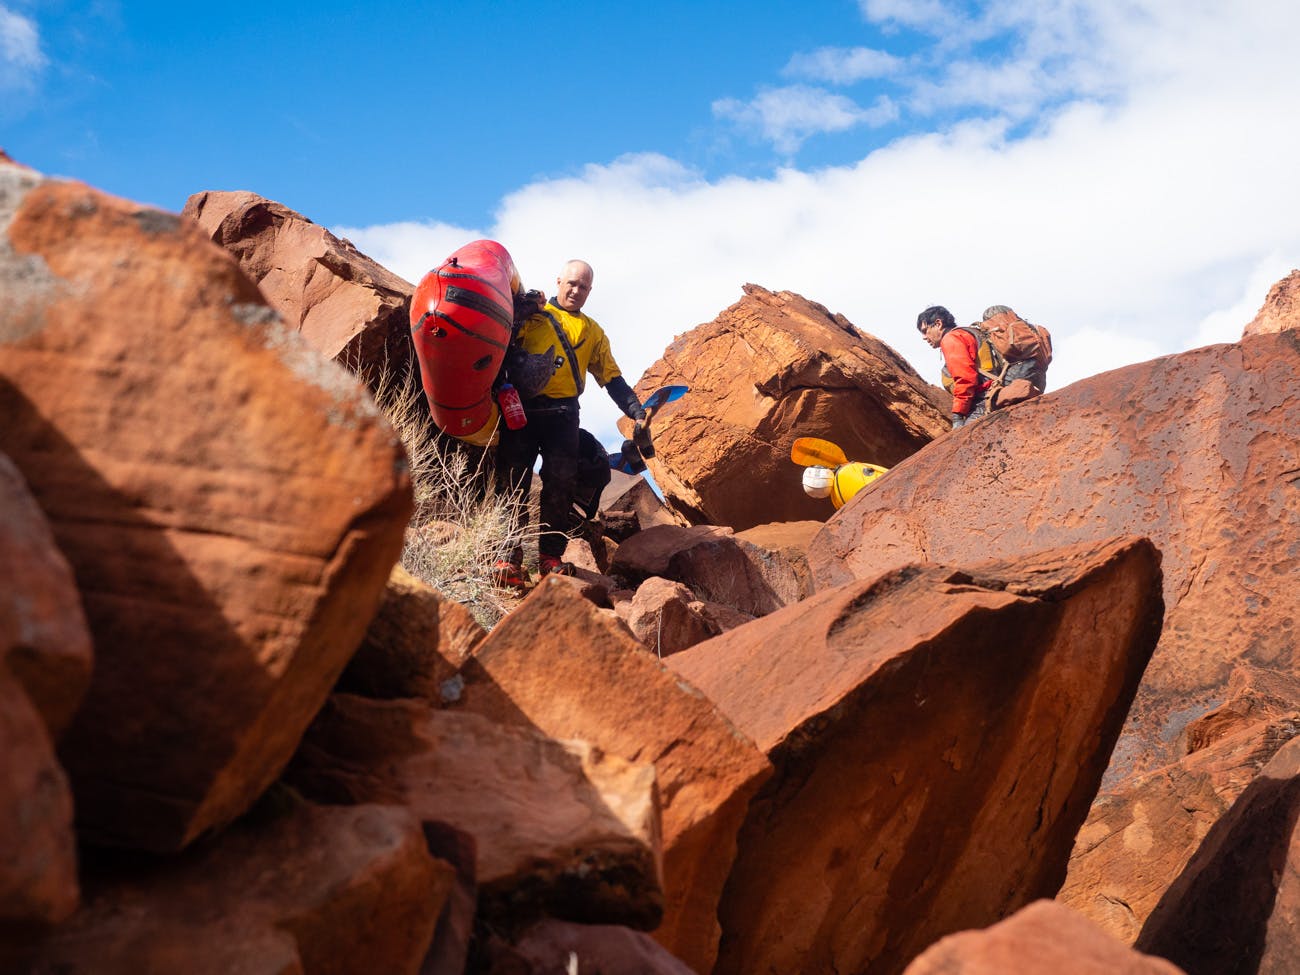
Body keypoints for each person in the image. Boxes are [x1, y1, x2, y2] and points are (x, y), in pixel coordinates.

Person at [493, 259, 645, 585]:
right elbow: (499, 340)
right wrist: (520, 308)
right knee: (511, 481)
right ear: (559, 280)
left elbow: (611, 378)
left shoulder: (592, 332)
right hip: (520, 410)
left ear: (590, 291)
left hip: (563, 417)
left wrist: (635, 409)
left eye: (584, 287)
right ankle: (507, 557)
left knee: (559, 485)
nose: (576, 291)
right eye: (571, 283)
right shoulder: (532, 313)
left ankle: (550, 557)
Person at [917, 304, 992, 428]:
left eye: (925, 331)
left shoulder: (951, 339)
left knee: (966, 440)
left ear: (938, 324)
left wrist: (958, 414)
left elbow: (965, 379)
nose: (924, 337)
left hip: (986, 398)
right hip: (999, 387)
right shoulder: (969, 333)